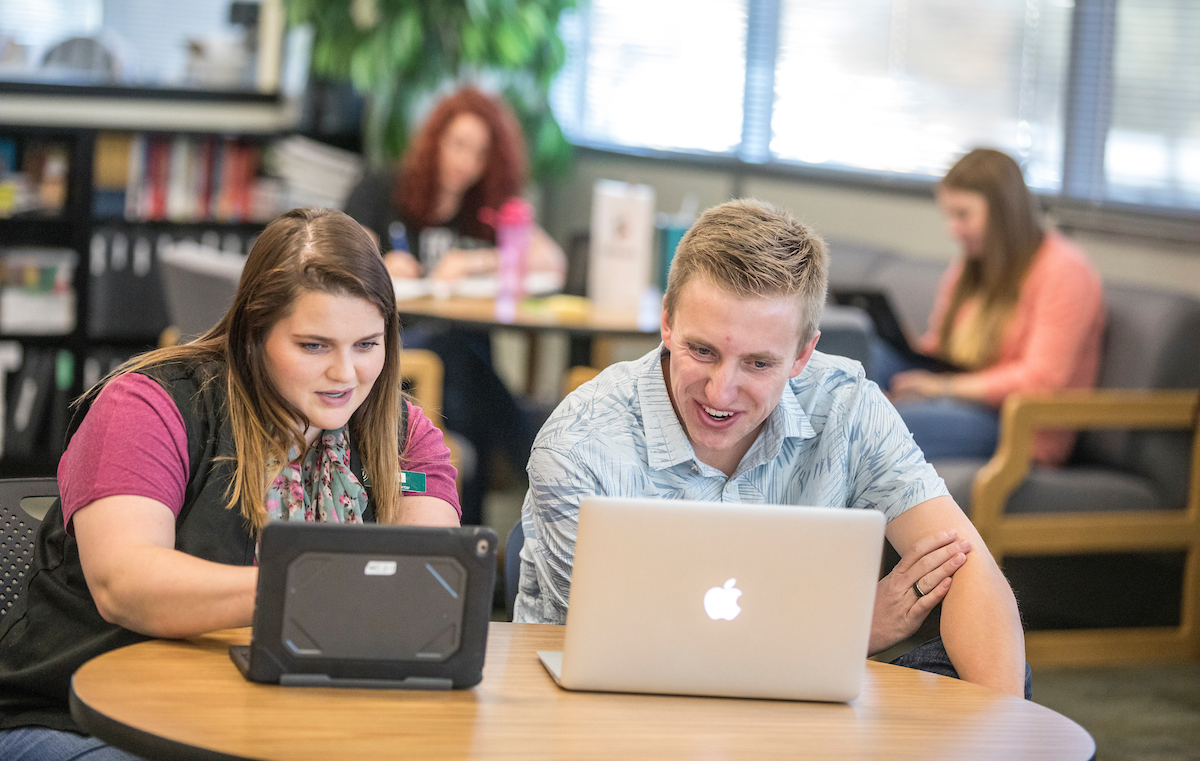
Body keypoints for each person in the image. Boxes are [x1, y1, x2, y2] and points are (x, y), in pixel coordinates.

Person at [514, 198, 1029, 699]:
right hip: (615, 705)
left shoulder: (846, 405)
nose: (721, 393)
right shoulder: (579, 442)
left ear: (803, 354)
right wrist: (847, 635)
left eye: (759, 364)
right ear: (667, 322)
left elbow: (968, 567)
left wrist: (1002, 731)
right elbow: (628, 653)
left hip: (794, 698)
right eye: (702, 351)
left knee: (994, 675)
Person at [0, 208, 461, 760]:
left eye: (367, 344)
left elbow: (429, 582)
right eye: (314, 346)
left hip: (275, 717)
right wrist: (307, 588)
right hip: (80, 718)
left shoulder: (401, 434)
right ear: (253, 334)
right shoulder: (148, 406)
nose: (345, 374)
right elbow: (126, 584)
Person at [345, 86, 566, 525]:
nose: (466, 162)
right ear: (435, 141)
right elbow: (346, 255)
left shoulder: (485, 207)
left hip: (463, 364)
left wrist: (476, 261)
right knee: (457, 357)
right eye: (458, 144)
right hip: (399, 348)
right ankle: (539, 458)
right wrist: (383, 263)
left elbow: (552, 261)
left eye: (480, 153)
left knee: (465, 390)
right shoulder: (383, 187)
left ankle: (475, 530)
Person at [879, 148, 1105, 464]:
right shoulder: (970, 265)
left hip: (1015, 424)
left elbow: (1041, 382)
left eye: (963, 215)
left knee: (887, 422)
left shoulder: (1065, 270)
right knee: (869, 352)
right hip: (958, 397)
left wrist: (941, 388)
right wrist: (910, 353)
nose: (952, 229)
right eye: (949, 215)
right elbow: (943, 351)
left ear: (1002, 212)